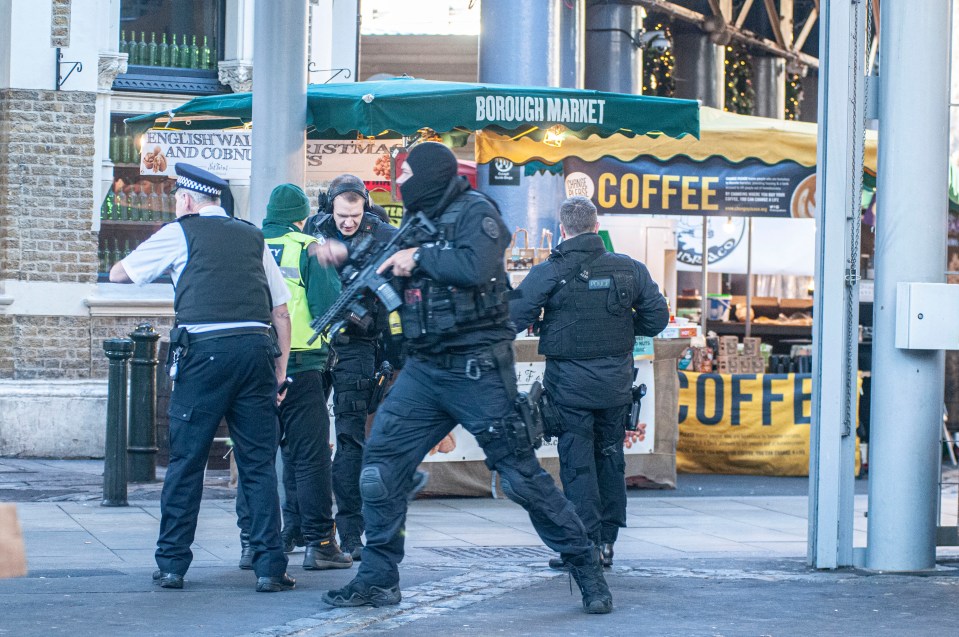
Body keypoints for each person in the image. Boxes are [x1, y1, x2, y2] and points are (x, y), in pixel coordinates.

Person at [320, 142, 614, 614]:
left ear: (432, 176)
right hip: (424, 368)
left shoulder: (478, 212)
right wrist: (350, 259)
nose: (403, 185)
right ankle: (378, 576)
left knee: (520, 477)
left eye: (410, 175)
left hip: (477, 367)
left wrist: (419, 259)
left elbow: (475, 266)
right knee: (379, 469)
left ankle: (585, 565)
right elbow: (395, 281)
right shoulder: (416, 224)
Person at [109, 163, 296, 593]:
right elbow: (280, 312)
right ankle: (270, 567)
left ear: (187, 200)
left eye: (177, 198)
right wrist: (279, 373)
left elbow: (121, 273)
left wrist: (173, 270)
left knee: (187, 461)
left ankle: (173, 564)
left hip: (203, 356)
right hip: (255, 353)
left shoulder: (181, 231)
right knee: (257, 465)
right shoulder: (253, 236)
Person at [508, 196, 669, 570]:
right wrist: (624, 327)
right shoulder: (630, 268)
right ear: (597, 227)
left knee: (578, 463)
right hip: (615, 387)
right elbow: (656, 319)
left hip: (569, 389)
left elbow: (513, 317)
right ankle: (608, 543)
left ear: (562, 230)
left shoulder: (549, 270)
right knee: (611, 459)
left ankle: (585, 545)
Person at [235, 184, 352, 571]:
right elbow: (329, 307)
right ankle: (320, 543)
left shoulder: (246, 242)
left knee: (256, 460)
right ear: (301, 215)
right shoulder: (309, 246)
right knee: (310, 459)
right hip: (300, 365)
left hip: (252, 366)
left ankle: (253, 544)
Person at [304, 174, 399, 561]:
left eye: (354, 214)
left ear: (365, 207)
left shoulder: (382, 233)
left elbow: (397, 291)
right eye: (341, 215)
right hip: (316, 341)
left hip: (359, 344)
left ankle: (352, 532)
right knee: (307, 441)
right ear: (330, 207)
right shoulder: (313, 227)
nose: (347, 222)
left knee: (350, 441)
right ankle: (303, 528)